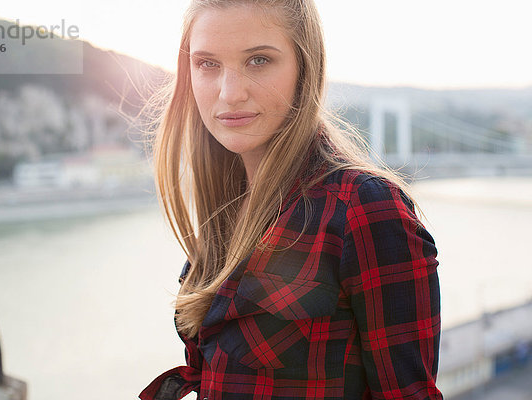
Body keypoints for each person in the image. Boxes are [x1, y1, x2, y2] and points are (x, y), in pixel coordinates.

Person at [139, 0, 442, 399]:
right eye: (208, 64)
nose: (230, 94)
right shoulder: (230, 210)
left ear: (305, 68)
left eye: (259, 60)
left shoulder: (365, 209)